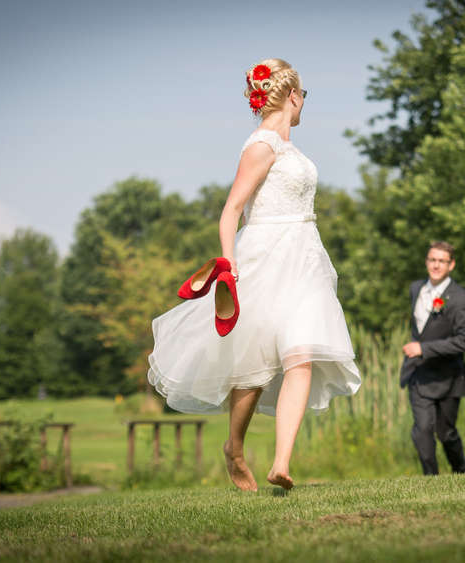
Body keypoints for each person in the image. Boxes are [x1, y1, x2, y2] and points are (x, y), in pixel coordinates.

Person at [147, 58, 361, 491]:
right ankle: (235, 447)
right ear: (294, 96)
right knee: (254, 365)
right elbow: (231, 211)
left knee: (301, 353)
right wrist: (230, 263)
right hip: (264, 255)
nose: (304, 107)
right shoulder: (261, 146)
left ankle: (281, 462)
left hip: (304, 257)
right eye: (304, 99)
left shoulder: (293, 150)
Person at [400, 241, 465, 475]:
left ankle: (460, 470)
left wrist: (424, 348)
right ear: (426, 262)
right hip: (419, 374)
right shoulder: (415, 289)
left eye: (442, 261)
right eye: (432, 260)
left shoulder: (463, 299)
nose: (436, 265)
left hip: (448, 378)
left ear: (451, 265)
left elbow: (464, 341)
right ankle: (431, 479)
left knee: (446, 433)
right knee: (422, 430)